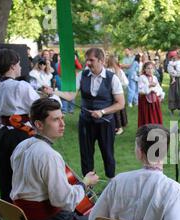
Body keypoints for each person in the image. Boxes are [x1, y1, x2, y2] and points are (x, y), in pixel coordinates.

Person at [10, 98, 100, 220]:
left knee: (84, 215)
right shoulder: (49, 155)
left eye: (62, 118)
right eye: (56, 119)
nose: (63, 124)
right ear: (39, 124)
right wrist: (85, 184)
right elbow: (63, 201)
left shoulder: (22, 146)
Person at [45, 48, 125, 180]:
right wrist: (53, 92)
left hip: (106, 123)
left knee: (108, 153)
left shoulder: (112, 78)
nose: (87, 63)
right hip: (86, 122)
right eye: (86, 60)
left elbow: (120, 103)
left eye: (91, 60)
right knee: (86, 154)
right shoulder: (82, 75)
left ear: (101, 61)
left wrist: (102, 112)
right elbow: (70, 96)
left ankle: (112, 182)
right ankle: (88, 185)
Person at [0, 49, 41, 202]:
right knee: (25, 173)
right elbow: (39, 107)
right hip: (21, 135)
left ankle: (11, 209)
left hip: (4, 135)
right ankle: (29, 208)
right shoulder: (21, 86)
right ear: (12, 66)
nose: (20, 67)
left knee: (8, 173)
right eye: (19, 64)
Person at [106, 55, 129, 135]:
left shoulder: (110, 70)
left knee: (116, 111)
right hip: (114, 93)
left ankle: (119, 127)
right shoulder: (113, 70)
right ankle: (116, 127)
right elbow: (126, 82)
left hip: (114, 94)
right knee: (116, 110)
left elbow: (125, 82)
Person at [137, 61, 164, 127]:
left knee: (155, 115)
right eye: (148, 68)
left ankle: (156, 131)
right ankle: (146, 132)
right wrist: (149, 86)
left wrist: (160, 95)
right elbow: (140, 90)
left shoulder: (154, 77)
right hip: (145, 101)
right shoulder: (142, 78)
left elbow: (159, 88)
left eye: (151, 68)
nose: (150, 70)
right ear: (144, 69)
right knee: (146, 116)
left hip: (154, 100)